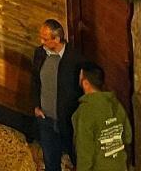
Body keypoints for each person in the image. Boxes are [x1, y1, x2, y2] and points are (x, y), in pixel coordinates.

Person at [30, 18, 84, 171]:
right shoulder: (40, 53)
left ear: (57, 39)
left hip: (67, 122)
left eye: (45, 39)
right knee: (51, 163)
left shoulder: (74, 59)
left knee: (77, 159)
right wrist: (36, 106)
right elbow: (35, 80)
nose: (41, 41)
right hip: (45, 119)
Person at [72, 61, 131, 170]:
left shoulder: (85, 111)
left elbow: (85, 153)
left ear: (86, 83)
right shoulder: (115, 103)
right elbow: (128, 136)